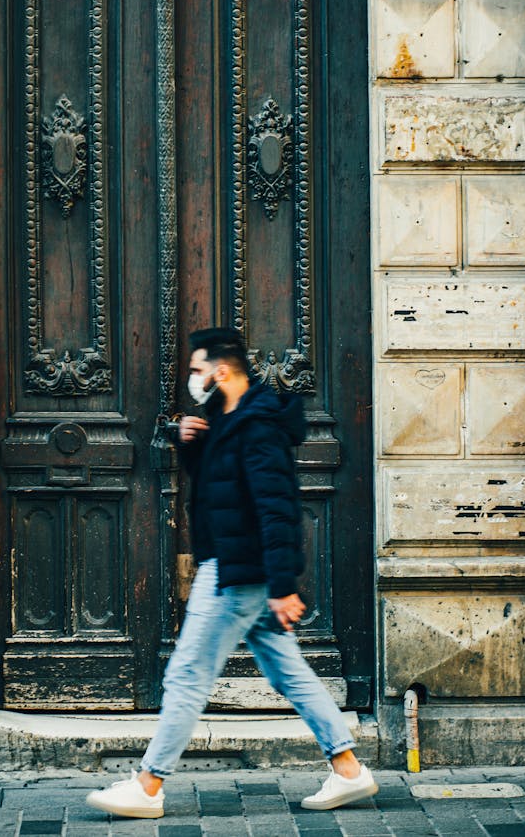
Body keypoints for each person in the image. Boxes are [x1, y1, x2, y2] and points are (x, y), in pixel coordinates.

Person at [87, 327, 378, 819]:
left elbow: (276, 507)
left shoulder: (256, 426)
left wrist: (283, 585)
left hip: (236, 573)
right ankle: (349, 770)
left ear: (222, 371)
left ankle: (148, 784)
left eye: (197, 369)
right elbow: (225, 490)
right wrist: (192, 446)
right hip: (243, 569)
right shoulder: (229, 418)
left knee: (186, 676)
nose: (192, 379)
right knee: (289, 672)